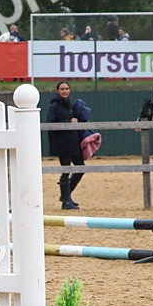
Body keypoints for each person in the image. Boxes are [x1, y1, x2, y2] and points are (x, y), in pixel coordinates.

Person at [47, 81, 91, 210]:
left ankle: (66, 196)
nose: (64, 91)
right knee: (66, 170)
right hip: (63, 144)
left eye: (66, 88)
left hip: (74, 142)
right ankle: (66, 201)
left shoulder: (71, 105)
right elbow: (50, 123)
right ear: (58, 91)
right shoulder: (55, 106)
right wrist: (68, 122)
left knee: (80, 168)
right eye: (62, 89)